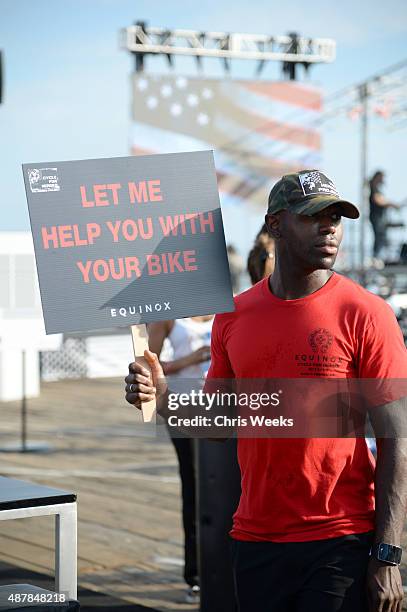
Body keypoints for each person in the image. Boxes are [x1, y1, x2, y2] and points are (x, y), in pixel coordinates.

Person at [126, 169, 407, 612]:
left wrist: (388, 555)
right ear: (276, 224)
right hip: (255, 539)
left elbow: (397, 439)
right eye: (314, 216)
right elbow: (220, 422)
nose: (330, 226)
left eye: (336, 216)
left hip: (340, 538)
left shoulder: (367, 314)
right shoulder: (234, 316)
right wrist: (161, 399)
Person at [147, 316, 213, 604]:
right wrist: (192, 359)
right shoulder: (169, 314)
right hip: (183, 409)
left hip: (223, 408)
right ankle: (196, 576)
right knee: (195, 488)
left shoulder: (231, 303)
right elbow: (148, 368)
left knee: (231, 490)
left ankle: (226, 568)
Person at [369, 170, 399, 264]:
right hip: (377, 218)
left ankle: (378, 257)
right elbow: (378, 200)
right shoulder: (374, 188)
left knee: (382, 238)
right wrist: (391, 204)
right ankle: (376, 258)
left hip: (379, 218)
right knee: (380, 237)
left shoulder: (376, 188)